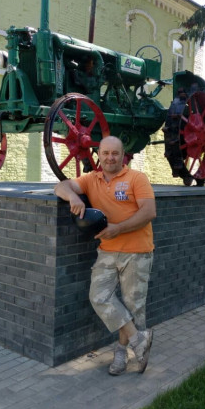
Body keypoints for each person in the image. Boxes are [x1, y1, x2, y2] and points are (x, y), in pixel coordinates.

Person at [54, 136, 156, 376]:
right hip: (107, 252)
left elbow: (150, 211)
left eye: (115, 153)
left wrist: (118, 228)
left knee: (133, 307)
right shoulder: (91, 179)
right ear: (98, 154)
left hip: (137, 251)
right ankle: (139, 340)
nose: (110, 158)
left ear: (123, 156)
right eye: (106, 153)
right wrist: (73, 196)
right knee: (99, 297)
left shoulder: (136, 179)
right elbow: (60, 186)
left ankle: (121, 353)